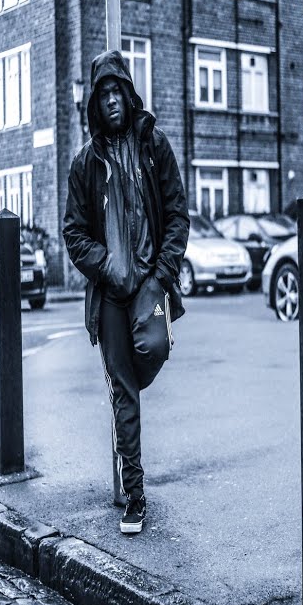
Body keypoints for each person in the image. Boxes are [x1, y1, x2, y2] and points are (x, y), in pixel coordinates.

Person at [62, 49, 190, 534]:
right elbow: (73, 233)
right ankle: (136, 495)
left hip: (150, 283)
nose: (112, 100)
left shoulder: (153, 145)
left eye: (117, 91)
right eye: (104, 94)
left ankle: (128, 385)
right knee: (124, 395)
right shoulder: (85, 164)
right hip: (111, 293)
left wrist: (161, 274)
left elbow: (177, 215)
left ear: (128, 95)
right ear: (95, 104)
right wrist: (106, 264)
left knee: (152, 349)